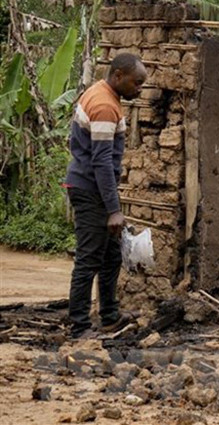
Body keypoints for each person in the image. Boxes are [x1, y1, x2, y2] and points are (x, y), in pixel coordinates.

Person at [65, 53, 147, 338]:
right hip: (90, 190)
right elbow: (100, 162)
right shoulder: (103, 105)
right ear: (118, 76)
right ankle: (79, 327)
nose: (139, 89)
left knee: (111, 255)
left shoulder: (105, 96)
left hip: (96, 187)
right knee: (89, 259)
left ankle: (110, 315)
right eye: (137, 83)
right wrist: (114, 209)